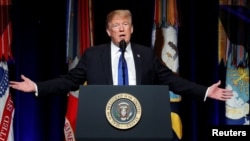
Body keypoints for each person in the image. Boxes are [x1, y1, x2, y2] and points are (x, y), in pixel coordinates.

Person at [10, 9, 233, 101]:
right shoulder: (93, 55)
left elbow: (171, 80)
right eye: (116, 25)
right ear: (108, 31)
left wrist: (205, 91)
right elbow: (70, 81)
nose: (121, 28)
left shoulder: (145, 55)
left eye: (125, 24)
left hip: (142, 122)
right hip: (104, 123)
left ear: (132, 28)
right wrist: (37, 87)